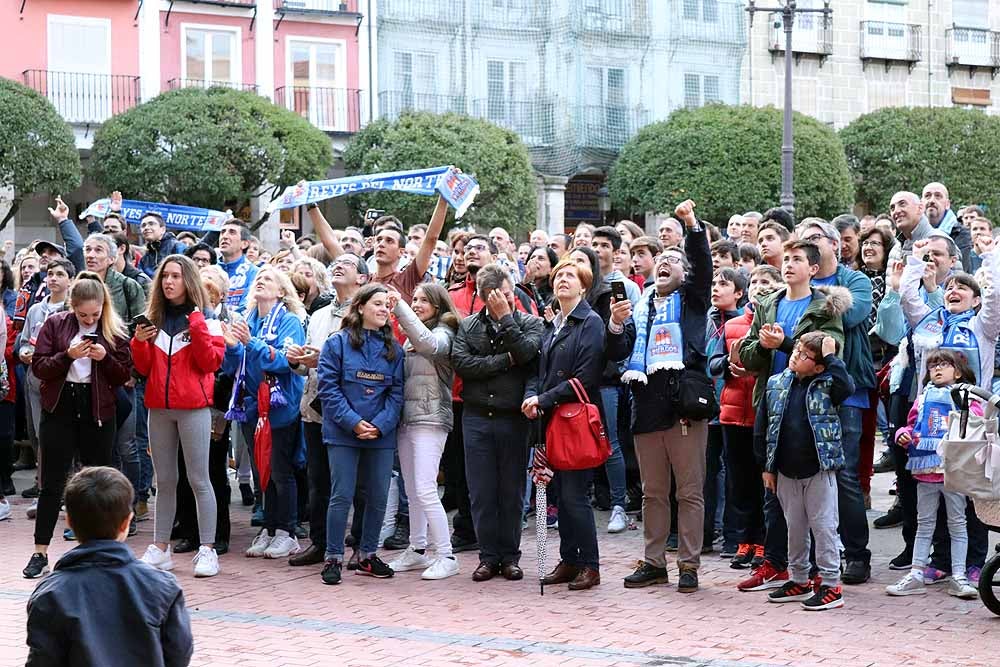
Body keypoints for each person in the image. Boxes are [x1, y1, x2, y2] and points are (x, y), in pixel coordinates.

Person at [735, 241, 848, 592]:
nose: (789, 265)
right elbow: (750, 356)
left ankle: (822, 574)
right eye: (786, 259)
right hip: (774, 399)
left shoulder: (824, 306)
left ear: (814, 268)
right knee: (775, 494)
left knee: (817, 511)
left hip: (810, 409)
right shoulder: (768, 302)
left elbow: (827, 352)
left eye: (797, 259)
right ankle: (778, 564)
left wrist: (784, 344)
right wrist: (761, 347)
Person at [622, 200, 713, 594]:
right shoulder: (639, 307)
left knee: (689, 491)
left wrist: (690, 227)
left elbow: (703, 268)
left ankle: (688, 565)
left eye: (674, 260)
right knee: (653, 492)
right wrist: (614, 325)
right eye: (662, 259)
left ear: (684, 273)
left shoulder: (692, 302)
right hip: (646, 406)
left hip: (683, 408)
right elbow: (618, 352)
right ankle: (654, 562)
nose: (665, 263)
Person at [22, 273, 132, 579]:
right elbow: (40, 367)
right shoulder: (56, 324)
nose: (88, 320)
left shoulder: (113, 330)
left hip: (97, 407)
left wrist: (104, 357)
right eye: (82, 315)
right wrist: (67, 356)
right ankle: (40, 551)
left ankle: (102, 551)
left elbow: (123, 375)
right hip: (60, 406)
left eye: (94, 315)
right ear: (72, 307)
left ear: (103, 308)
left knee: (99, 481)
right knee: (51, 481)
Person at [25, 467, 193, 666]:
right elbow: (178, 654)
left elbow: (42, 660)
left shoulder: (50, 593)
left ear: (69, 521)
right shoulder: (162, 586)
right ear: (126, 523)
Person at [132, 255, 226, 578]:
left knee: (199, 479)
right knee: (165, 480)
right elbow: (143, 369)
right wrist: (139, 343)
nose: (169, 282)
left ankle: (208, 549)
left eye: (176, 276)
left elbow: (211, 362)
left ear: (189, 280)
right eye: (165, 276)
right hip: (158, 408)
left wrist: (197, 324)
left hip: (194, 409)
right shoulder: (153, 319)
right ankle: (160, 548)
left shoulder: (208, 319)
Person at [452, 264, 544, 582]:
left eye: (507, 294)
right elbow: (464, 365)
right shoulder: (467, 327)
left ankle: (510, 556)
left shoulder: (530, 322)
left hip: (513, 418)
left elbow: (529, 355)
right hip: (477, 417)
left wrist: (506, 319)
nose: (503, 301)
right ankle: (487, 556)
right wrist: (505, 361)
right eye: (496, 297)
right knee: (481, 491)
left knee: (512, 490)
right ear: (482, 297)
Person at [757, 332, 854, 611]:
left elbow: (847, 387)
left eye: (804, 355)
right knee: (794, 526)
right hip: (786, 469)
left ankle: (831, 584)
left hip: (818, 468)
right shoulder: (776, 384)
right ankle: (799, 578)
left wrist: (832, 356)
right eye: (796, 350)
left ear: (820, 367)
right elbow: (765, 428)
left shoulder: (827, 384)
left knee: (823, 526)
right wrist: (768, 467)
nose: (795, 356)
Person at [316, 284, 405, 585]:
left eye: (386, 305)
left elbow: (397, 394)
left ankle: (367, 554)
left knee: (378, 496)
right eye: (377, 304)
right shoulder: (336, 343)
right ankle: (333, 557)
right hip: (343, 433)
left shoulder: (395, 349)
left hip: (380, 435)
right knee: (341, 495)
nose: (383, 309)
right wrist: (353, 422)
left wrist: (380, 425)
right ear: (360, 307)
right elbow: (328, 389)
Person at [286, 253, 368, 567]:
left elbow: (367, 362)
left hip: (352, 410)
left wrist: (324, 360)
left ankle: (361, 545)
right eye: (336, 262)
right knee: (318, 480)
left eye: (348, 262)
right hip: (316, 408)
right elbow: (307, 365)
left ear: (362, 277)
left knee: (355, 482)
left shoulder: (364, 312)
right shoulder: (319, 314)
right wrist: (297, 360)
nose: (339, 264)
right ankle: (319, 543)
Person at [222, 266, 306, 560]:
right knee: (261, 472)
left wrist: (250, 343)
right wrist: (232, 348)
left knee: (281, 471)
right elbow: (232, 368)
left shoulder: (290, 321)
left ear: (282, 291)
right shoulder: (245, 320)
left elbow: (287, 361)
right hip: (251, 406)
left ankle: (288, 531)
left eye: (268, 279)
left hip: (280, 407)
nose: (260, 281)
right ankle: (269, 528)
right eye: (258, 278)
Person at [886, 350, 979, 599]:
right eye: (932, 366)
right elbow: (912, 424)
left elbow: (978, 421)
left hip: (953, 471)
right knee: (924, 523)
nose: (937, 370)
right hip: (925, 471)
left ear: (957, 371)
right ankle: (917, 572)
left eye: (943, 365)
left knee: (958, 524)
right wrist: (902, 435)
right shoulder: (923, 396)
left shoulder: (966, 395)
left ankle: (959, 575)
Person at [386, 284, 461, 580]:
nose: (416, 304)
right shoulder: (409, 338)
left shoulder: (444, 332)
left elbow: (429, 344)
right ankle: (417, 549)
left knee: (426, 488)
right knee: (413, 489)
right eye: (413, 299)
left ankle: (446, 555)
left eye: (423, 300)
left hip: (431, 418)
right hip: (408, 419)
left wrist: (400, 307)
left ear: (439, 306)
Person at [711, 265, 783, 568]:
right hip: (731, 413)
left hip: (762, 415)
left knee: (762, 482)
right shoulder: (733, 325)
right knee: (738, 483)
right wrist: (728, 366)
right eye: (755, 281)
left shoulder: (778, 325)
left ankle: (765, 541)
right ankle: (744, 541)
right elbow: (713, 362)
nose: (759, 286)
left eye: (767, 282)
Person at [922, 182, 973, 271]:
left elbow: (963, 270)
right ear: (921, 203)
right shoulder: (912, 231)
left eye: (938, 196)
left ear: (947, 204)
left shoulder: (961, 233)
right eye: (927, 196)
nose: (932, 200)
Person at [218, 218, 260, 311]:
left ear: (244, 244)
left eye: (232, 232)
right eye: (222, 232)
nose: (225, 236)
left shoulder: (255, 273)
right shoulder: (209, 271)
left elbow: (246, 308)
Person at [137, 213, 189, 278]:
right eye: (143, 225)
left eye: (151, 224)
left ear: (163, 229)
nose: (146, 228)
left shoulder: (178, 247)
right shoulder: (144, 259)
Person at [521, 246, 557, 314]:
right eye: (532, 258)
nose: (534, 261)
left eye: (541, 258)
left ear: (551, 269)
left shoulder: (554, 296)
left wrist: (530, 284)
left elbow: (542, 314)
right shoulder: (518, 287)